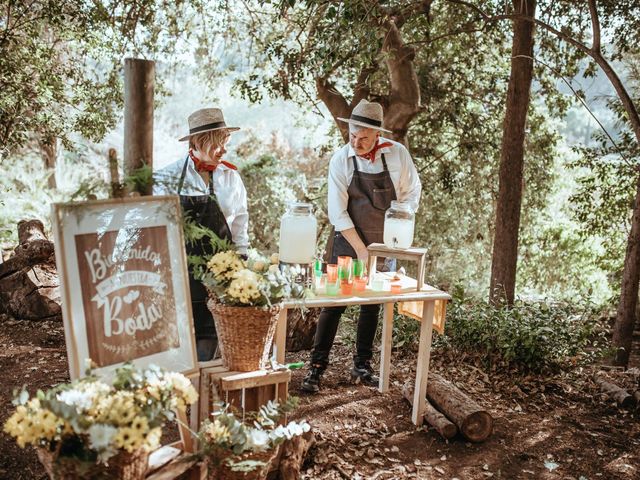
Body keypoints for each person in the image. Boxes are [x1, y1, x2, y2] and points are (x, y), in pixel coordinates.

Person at [301, 99, 422, 393]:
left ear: (377, 135)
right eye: (353, 136)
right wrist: (361, 249)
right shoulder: (341, 160)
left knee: (372, 305)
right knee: (334, 303)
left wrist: (398, 233)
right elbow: (337, 212)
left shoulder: (398, 156)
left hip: (385, 243)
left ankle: (362, 365)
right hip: (347, 238)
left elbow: (411, 194)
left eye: (363, 138)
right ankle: (316, 368)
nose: (356, 142)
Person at [154, 107, 249, 361]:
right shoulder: (168, 177)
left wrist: (242, 258)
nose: (224, 150)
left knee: (215, 338)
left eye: (224, 143)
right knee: (181, 340)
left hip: (220, 275)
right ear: (197, 142)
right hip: (181, 275)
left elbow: (240, 220)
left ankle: (207, 393)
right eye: (218, 144)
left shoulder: (231, 177)